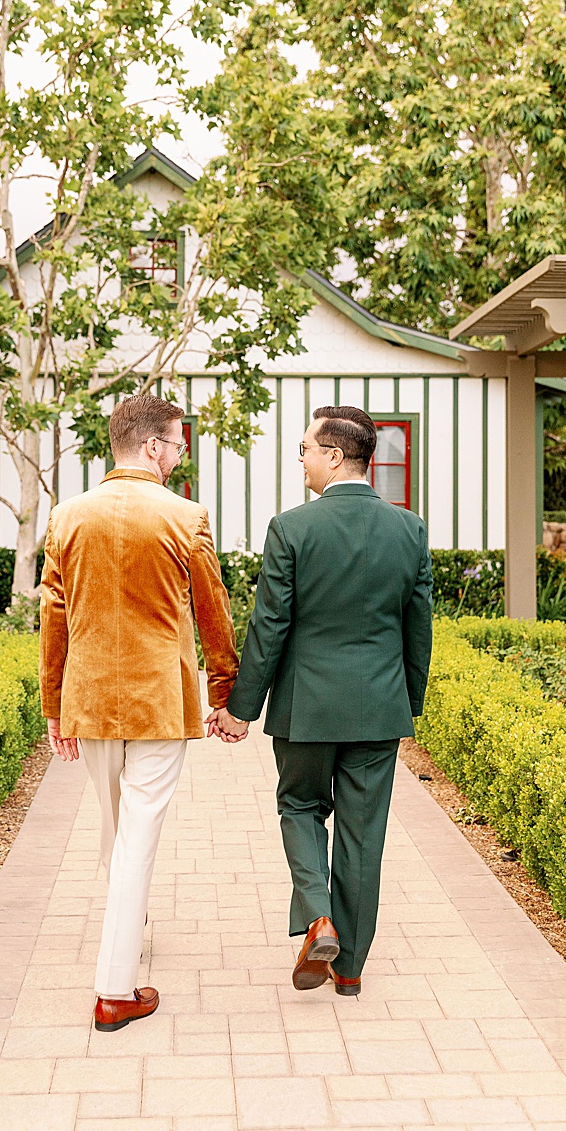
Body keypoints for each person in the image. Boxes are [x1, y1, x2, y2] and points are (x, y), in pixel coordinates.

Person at [211, 405, 433, 996]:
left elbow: (269, 626)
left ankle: (319, 918)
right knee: (364, 835)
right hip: (379, 709)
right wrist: (406, 702)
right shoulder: (409, 530)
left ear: (336, 456)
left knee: (301, 807)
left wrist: (240, 708)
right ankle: (351, 969)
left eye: (306, 449)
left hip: (305, 708)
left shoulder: (292, 528)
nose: (302, 459)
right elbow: (419, 628)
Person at [39, 392, 240, 1032]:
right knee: (137, 840)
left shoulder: (67, 516)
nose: (179, 456)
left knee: (115, 830)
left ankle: (133, 925)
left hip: (90, 700)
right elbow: (213, 609)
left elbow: (55, 615)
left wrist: (54, 704)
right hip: (158, 699)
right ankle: (114, 989)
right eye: (178, 445)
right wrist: (225, 687)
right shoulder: (187, 516)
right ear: (153, 445)